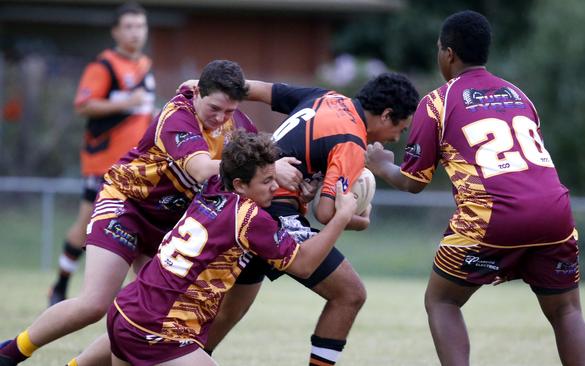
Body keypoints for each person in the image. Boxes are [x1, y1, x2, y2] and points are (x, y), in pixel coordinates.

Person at [0, 60, 302, 366]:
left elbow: (266, 155)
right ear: (196, 92)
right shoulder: (177, 116)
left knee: (145, 313)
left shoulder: (233, 122)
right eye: (215, 108)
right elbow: (199, 169)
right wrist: (267, 168)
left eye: (229, 111)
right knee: (95, 303)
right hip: (128, 206)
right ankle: (11, 353)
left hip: (169, 224)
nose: (222, 118)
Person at [365, 10, 585, 366]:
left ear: (449, 54)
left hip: (494, 215)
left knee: (442, 301)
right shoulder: (519, 95)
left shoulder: (438, 102)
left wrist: (380, 165)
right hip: (556, 212)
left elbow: (413, 183)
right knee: (566, 311)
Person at [202, 73, 419, 366]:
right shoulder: (352, 139)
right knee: (350, 294)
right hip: (271, 210)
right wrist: (360, 218)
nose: (395, 138)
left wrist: (206, 87)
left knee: (230, 309)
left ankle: (186, 358)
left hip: (237, 201)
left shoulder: (326, 97)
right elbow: (327, 213)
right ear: (386, 115)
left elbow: (258, 88)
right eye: (399, 129)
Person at [107, 130, 357, 366]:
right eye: (267, 180)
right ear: (239, 184)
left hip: (125, 311)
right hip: (159, 330)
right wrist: (341, 216)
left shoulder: (213, 185)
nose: (275, 187)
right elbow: (304, 265)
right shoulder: (248, 218)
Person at [48, 1, 155, 306]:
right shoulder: (104, 65)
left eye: (140, 26)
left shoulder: (144, 65)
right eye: (129, 27)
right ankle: (60, 284)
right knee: (85, 225)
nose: (136, 33)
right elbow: (83, 105)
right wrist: (127, 103)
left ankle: (141, 298)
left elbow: (141, 112)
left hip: (137, 166)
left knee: (144, 227)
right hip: (103, 163)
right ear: (116, 32)